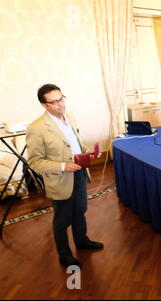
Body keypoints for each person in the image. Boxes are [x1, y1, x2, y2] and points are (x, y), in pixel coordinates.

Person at [26, 84, 103, 268]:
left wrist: (88, 153)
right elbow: (35, 161)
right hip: (60, 179)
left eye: (62, 99)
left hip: (80, 173)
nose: (61, 105)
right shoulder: (37, 128)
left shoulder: (70, 116)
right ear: (44, 105)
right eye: (54, 102)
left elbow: (76, 144)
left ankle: (81, 241)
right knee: (62, 220)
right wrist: (62, 166)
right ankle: (64, 255)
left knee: (79, 211)